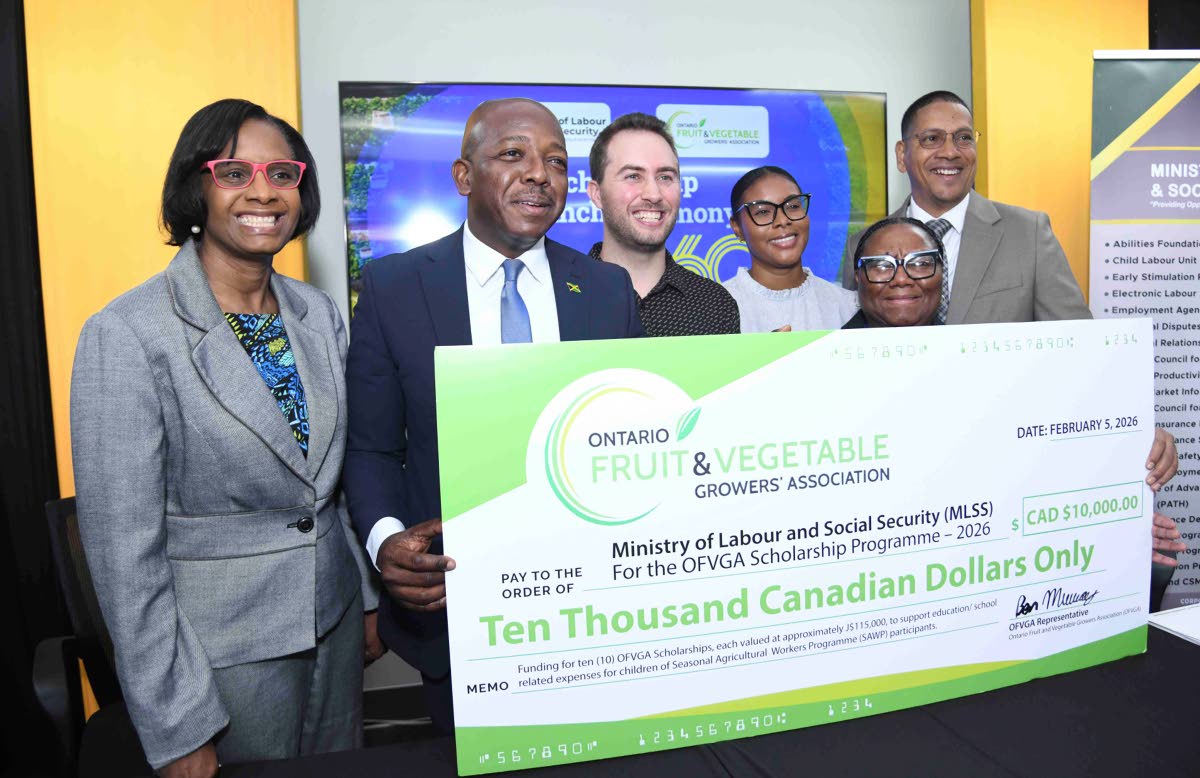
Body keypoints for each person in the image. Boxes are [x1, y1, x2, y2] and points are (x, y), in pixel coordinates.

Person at [70, 99, 380, 776]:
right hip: (220, 657)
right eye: (234, 171)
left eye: (283, 172)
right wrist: (178, 724)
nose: (263, 191)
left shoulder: (316, 313)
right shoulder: (127, 333)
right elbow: (126, 559)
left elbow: (329, 485)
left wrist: (366, 599)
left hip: (334, 631)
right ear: (196, 186)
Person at [343, 98, 644, 732]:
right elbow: (371, 449)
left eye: (556, 162)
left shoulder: (608, 291)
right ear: (463, 177)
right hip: (456, 610)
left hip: (596, 613)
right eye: (514, 155)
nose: (540, 174)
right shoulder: (394, 288)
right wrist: (385, 542)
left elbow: (630, 441)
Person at [847, 216, 1184, 564]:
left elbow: (1044, 449)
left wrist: (1131, 445)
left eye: (921, 263)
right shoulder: (821, 376)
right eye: (881, 266)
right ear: (858, 278)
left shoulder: (990, 365)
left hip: (980, 568)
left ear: (941, 277)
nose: (902, 278)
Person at [841, 91, 1092, 324]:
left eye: (964, 138)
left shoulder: (1029, 234)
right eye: (932, 139)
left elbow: (1076, 339)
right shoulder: (862, 245)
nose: (951, 152)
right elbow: (853, 343)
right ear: (901, 154)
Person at [585, 112, 740, 336]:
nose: (653, 194)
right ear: (597, 194)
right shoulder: (562, 296)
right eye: (633, 176)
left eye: (665, 177)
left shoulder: (716, 305)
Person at [724, 165, 858, 332]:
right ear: (737, 227)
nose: (782, 220)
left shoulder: (848, 307)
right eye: (763, 212)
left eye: (793, 206)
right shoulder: (715, 309)